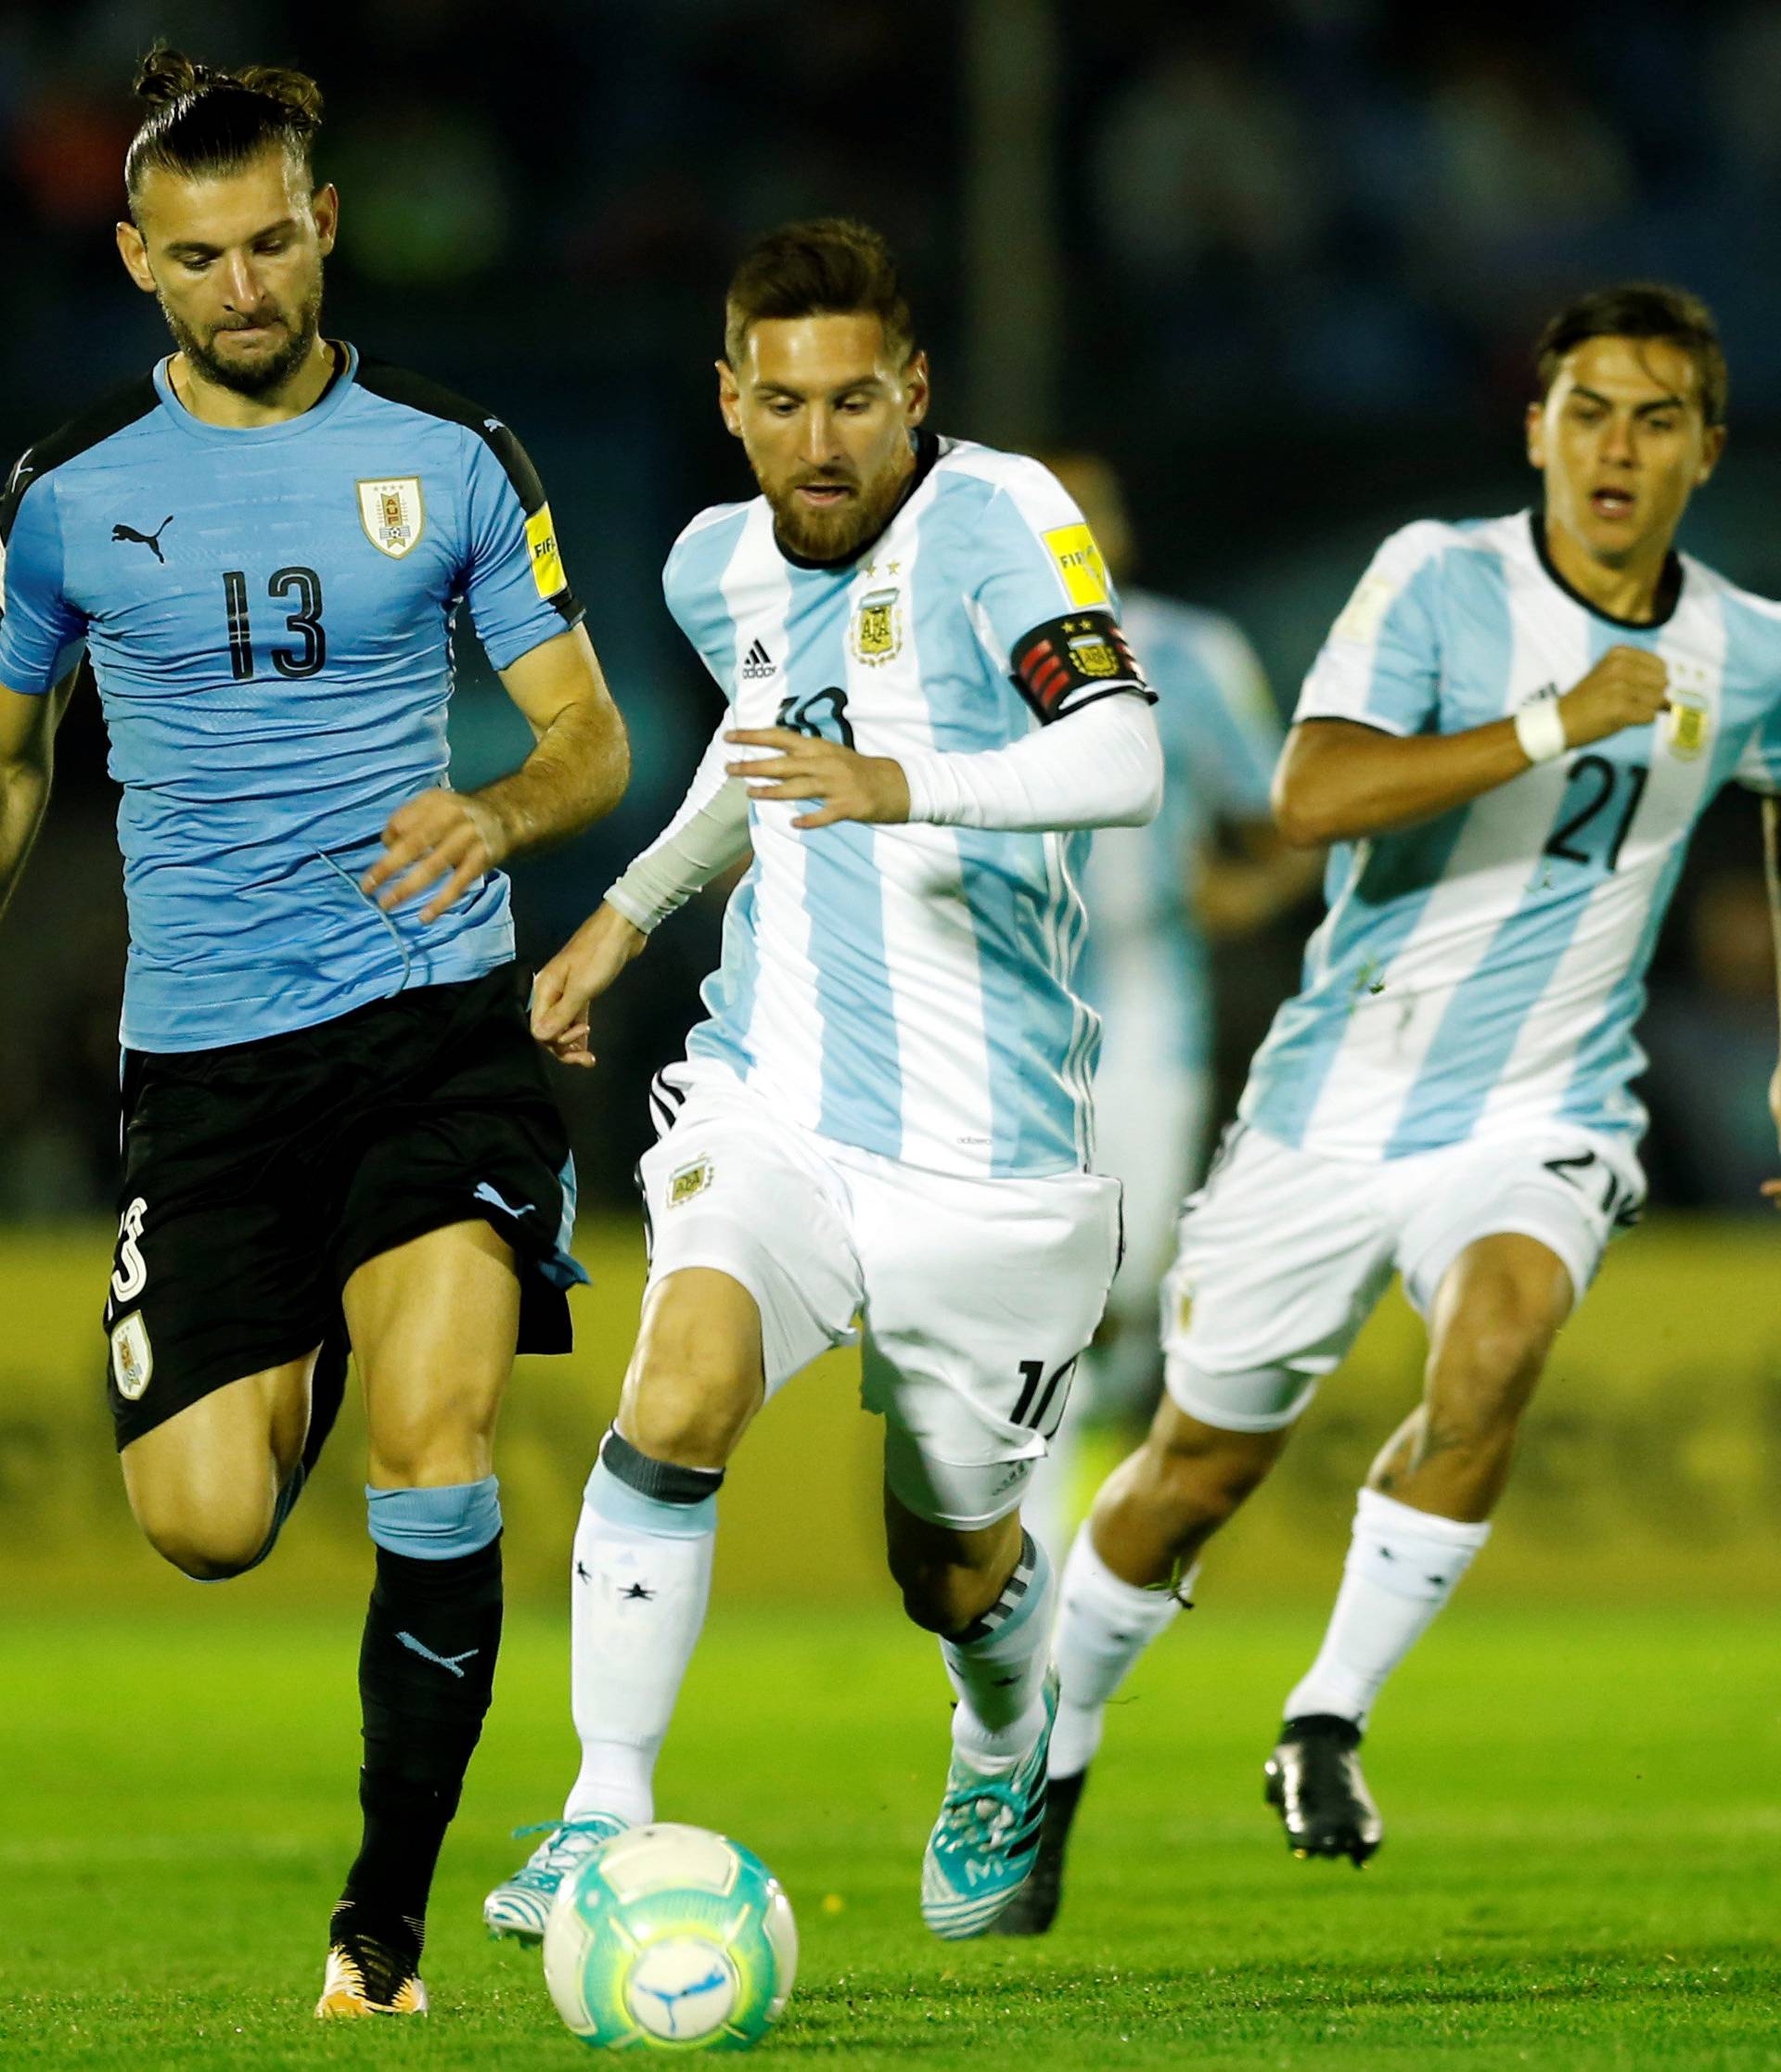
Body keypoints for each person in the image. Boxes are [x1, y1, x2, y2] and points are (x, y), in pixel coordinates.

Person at [1003, 282, 1781, 1933]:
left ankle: (1325, 1715)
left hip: (1550, 1101)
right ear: (1535, 431)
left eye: (1653, 418)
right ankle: (1047, 1750)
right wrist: (1553, 722)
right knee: (1193, 1465)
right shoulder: (1440, 577)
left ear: (1707, 448)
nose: (1614, 448)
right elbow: (1308, 794)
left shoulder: (1746, 645)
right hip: (1334, 1106)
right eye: (1586, 411)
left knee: (1496, 1345)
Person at [0, 51, 630, 2015]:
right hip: (203, 1069)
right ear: (134, 260)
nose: (245, 284)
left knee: (438, 1435)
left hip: (428, 1020)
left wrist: (500, 810)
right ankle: (341, 1310)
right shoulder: (63, 498)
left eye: (273, 240)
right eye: (200, 256)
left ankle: (385, 1925)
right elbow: (12, 761)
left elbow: (587, 736)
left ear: (326, 225)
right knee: (201, 1520)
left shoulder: (452, 454)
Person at [480, 217, 1161, 1945]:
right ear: (730, 399)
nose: (821, 440)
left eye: (856, 399)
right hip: (773, 1089)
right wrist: (625, 919)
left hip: (991, 1146)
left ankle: (1003, 1737)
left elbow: (1121, 752)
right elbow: (757, 739)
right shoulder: (715, 565)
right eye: (782, 403)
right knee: (679, 1387)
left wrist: (902, 782)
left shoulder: (1004, 518)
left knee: (949, 1561)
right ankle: (599, 1804)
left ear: (913, 389)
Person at [1022, 453, 1316, 1559]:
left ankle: (1086, 1449)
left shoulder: (1191, 656)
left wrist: (1240, 893)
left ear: (1123, 531)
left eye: (1091, 516)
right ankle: (1042, 1538)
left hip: (1146, 1007)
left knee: (1134, 1281)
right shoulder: (950, 657)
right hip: (1004, 1013)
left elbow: (1288, 815)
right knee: (1053, 1281)